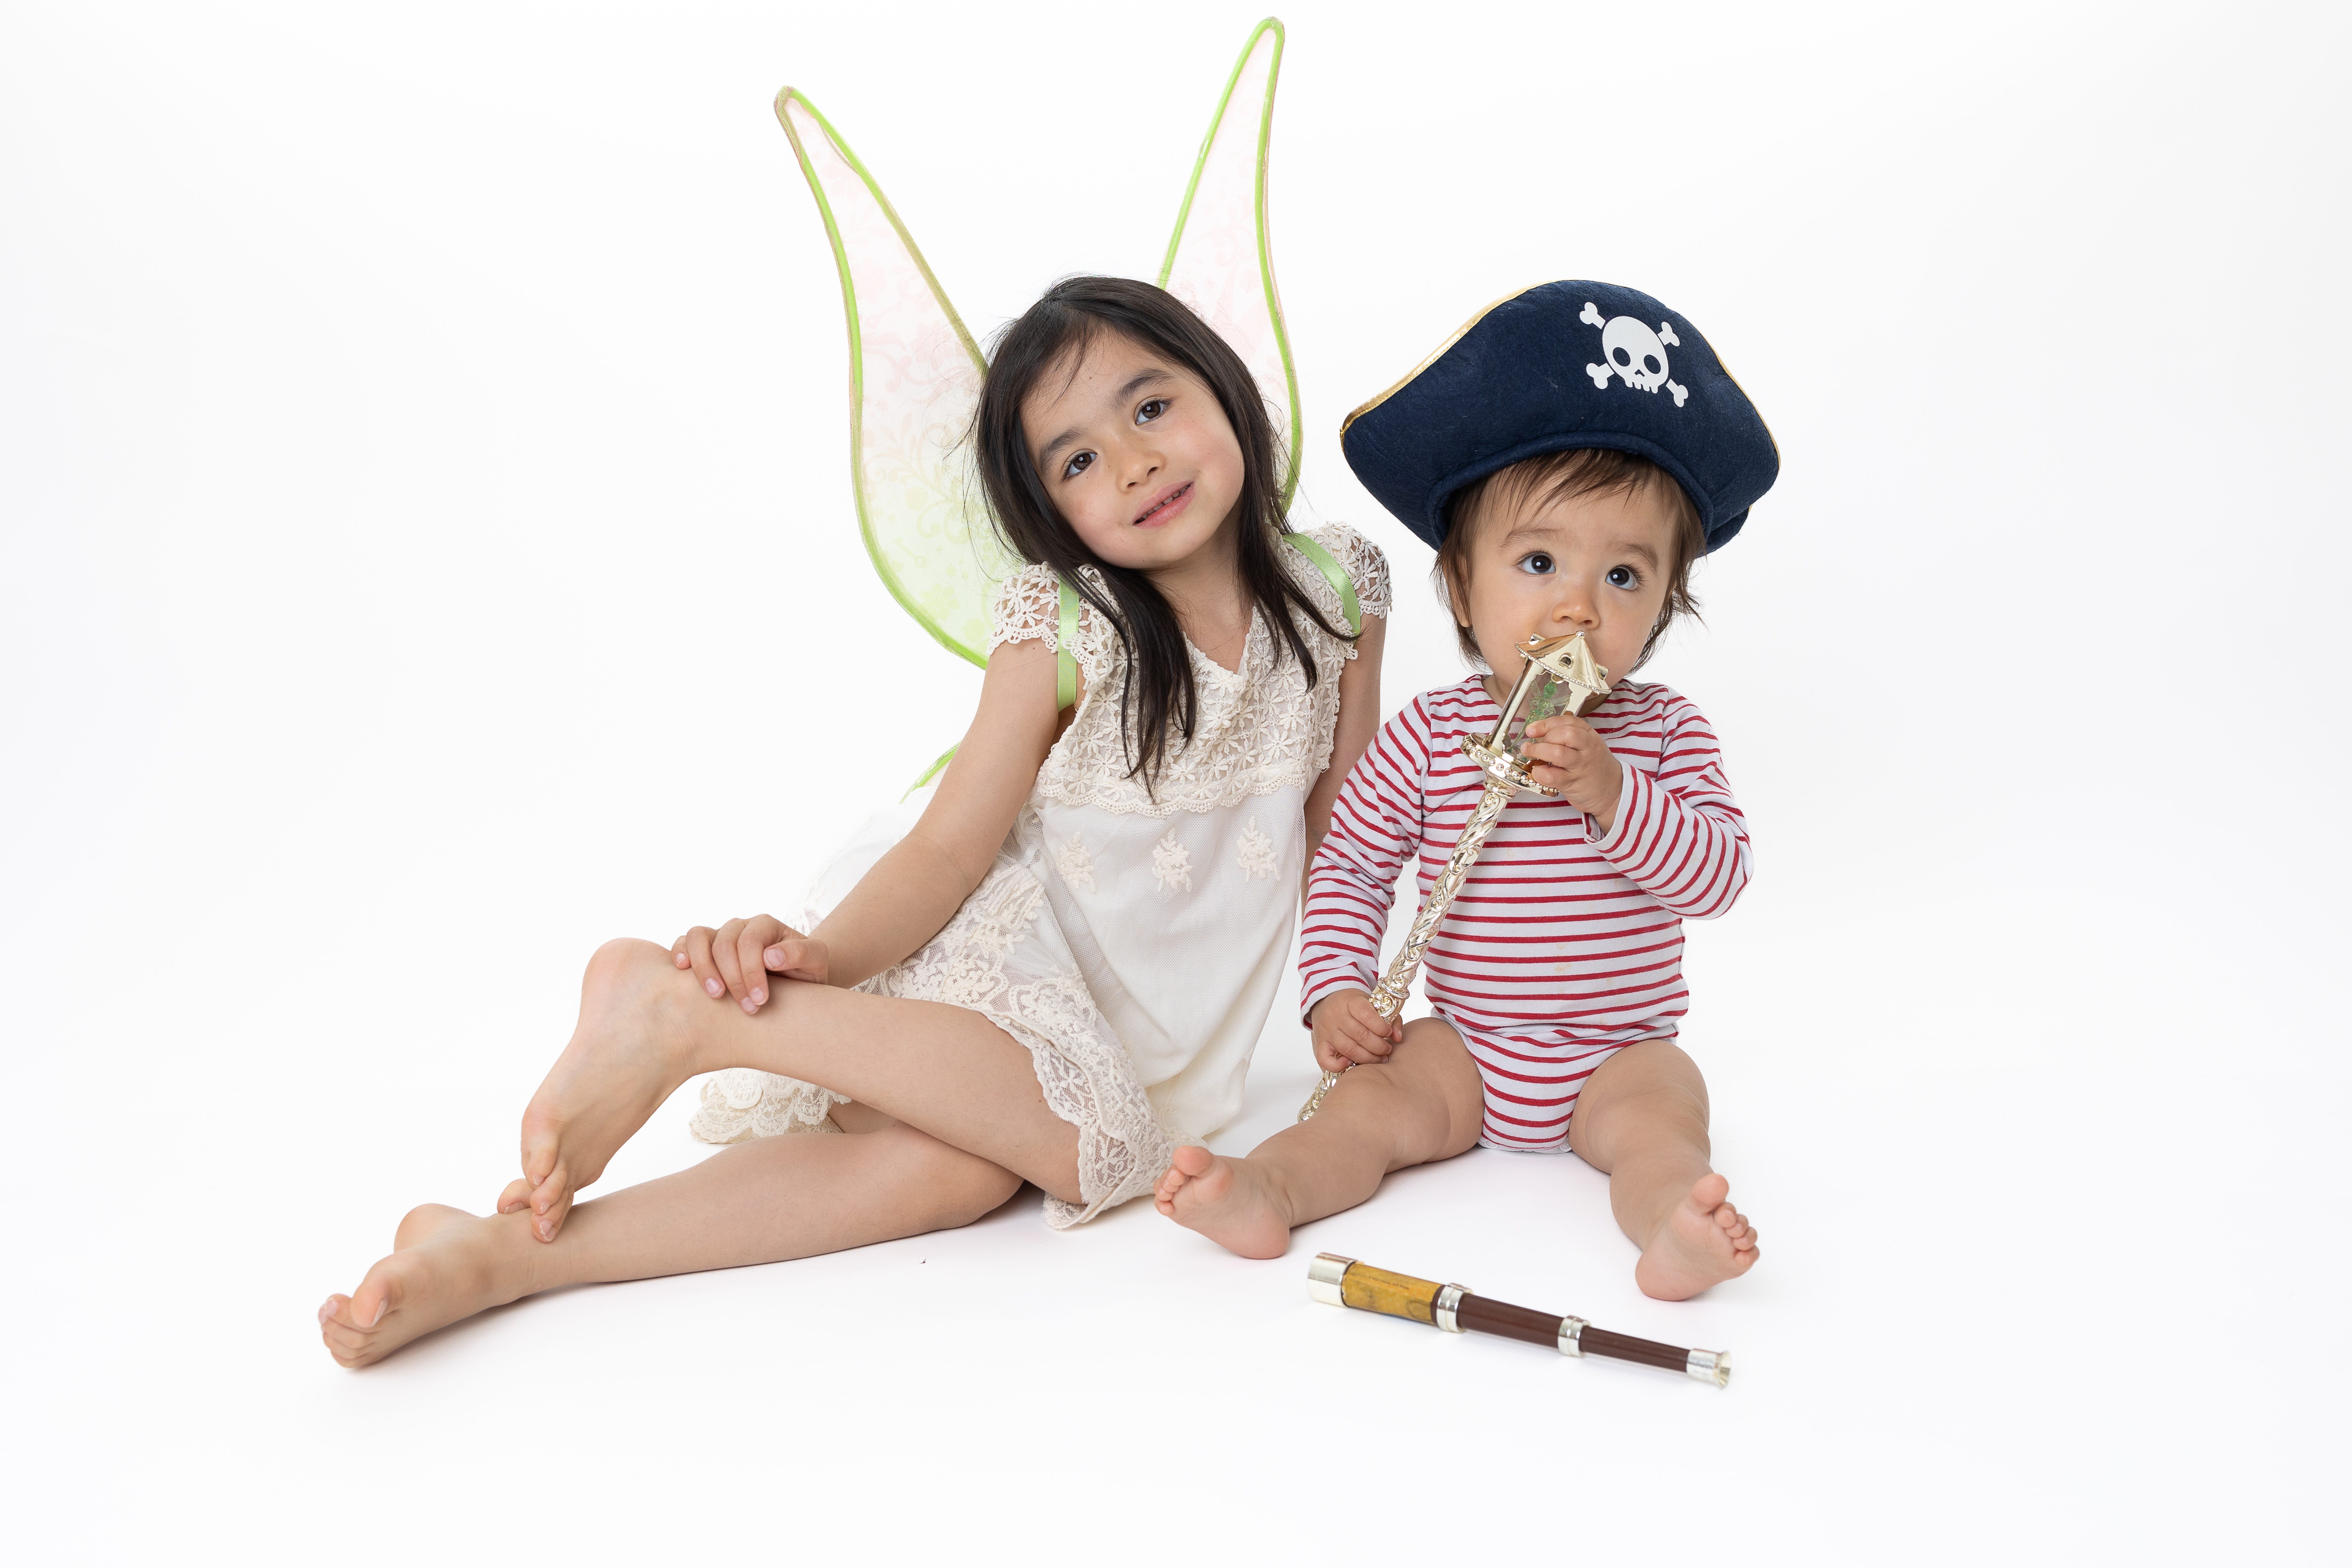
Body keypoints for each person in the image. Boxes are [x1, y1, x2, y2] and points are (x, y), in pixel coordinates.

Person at [318, 277, 1390, 1366]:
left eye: (1151, 407)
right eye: (1077, 460)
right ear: (1051, 512)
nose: (1133, 461)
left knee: (958, 1174)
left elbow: (1342, 827)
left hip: (1150, 1020)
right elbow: (949, 845)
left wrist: (1337, 988)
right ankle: (701, 1018)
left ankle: (504, 1257)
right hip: (1006, 950)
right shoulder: (1072, 626)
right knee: (1085, 1149)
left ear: (1226, 388)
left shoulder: (1337, 590)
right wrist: (817, 962)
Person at [1154, 281, 1774, 1300]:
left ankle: (1674, 1228)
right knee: (1367, 1112)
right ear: (1461, 586)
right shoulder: (1436, 735)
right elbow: (1352, 860)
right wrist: (1337, 992)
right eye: (1538, 561)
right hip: (1467, 1049)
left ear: (1665, 601)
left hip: (1620, 1050)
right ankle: (1269, 1190)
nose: (1578, 603)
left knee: (1668, 1119)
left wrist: (1616, 793)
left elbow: (1719, 878)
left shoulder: (1663, 735)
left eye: (1624, 577)